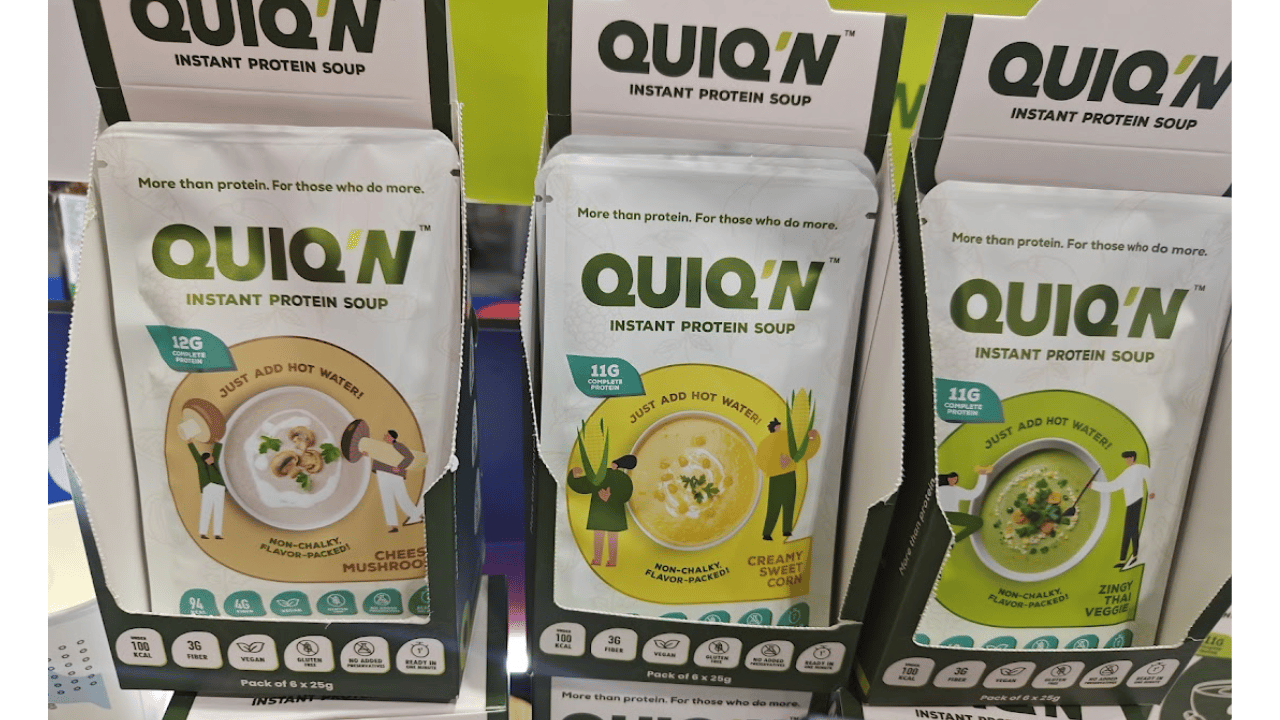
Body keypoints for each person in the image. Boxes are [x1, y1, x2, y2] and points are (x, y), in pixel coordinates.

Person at [755, 419, 821, 541]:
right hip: (780, 476)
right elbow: (760, 459)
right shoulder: (772, 441)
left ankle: (784, 530)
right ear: (776, 427)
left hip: (783, 475)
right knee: (778, 505)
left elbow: (800, 451)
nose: (780, 427)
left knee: (786, 503)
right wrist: (778, 464)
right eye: (778, 425)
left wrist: (811, 438)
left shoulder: (783, 437)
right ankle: (771, 532)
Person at [567, 455, 636, 567]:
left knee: (602, 536)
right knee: (608, 537)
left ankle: (600, 560)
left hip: (602, 514)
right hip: (610, 514)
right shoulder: (622, 478)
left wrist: (573, 476)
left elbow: (582, 486)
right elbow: (626, 494)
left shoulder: (604, 476)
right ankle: (606, 560)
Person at [1091, 450, 1154, 569]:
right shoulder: (1127, 472)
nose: (1127, 460)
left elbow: (1149, 474)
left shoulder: (1139, 468)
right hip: (1129, 503)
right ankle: (1123, 559)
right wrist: (1093, 485)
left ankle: (1135, 555)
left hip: (1136, 501)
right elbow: (1113, 485)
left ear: (1133, 458)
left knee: (1132, 530)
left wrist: (1151, 491)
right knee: (1129, 530)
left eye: (1128, 458)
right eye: (1126, 458)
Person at [368, 430, 425, 533]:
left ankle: (416, 515)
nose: (385, 436)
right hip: (382, 473)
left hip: (393, 475)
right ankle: (393, 525)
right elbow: (376, 455)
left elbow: (409, 457)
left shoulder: (398, 446)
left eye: (387, 435)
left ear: (392, 437)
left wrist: (400, 467)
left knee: (401, 496)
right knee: (387, 499)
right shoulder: (384, 447)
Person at [936, 467, 992, 543]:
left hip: (939, 516)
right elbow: (974, 494)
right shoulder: (954, 490)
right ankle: (954, 540)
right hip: (950, 515)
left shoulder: (938, 490)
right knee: (977, 522)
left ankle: (951, 541)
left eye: (956, 480)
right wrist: (982, 475)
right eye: (954, 479)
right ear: (948, 479)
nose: (955, 482)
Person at [190, 443, 226, 540]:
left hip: (219, 488)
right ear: (206, 460)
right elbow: (196, 456)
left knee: (218, 511)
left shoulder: (215, 464)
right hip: (208, 488)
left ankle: (217, 533)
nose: (212, 458)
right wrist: (190, 443)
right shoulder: (202, 466)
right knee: (206, 510)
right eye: (210, 458)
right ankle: (203, 532)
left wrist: (217, 443)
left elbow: (216, 454)